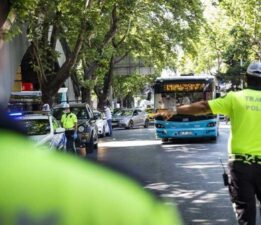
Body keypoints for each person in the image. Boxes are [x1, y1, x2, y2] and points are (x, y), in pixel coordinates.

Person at [0, 29, 183, 225]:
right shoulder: (125, 201)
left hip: (69, 132)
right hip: (68, 138)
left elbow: (73, 122)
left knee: (72, 145)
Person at [157, 61, 261, 225]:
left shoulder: (235, 98)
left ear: (246, 79)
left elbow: (203, 107)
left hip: (241, 166)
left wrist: (175, 110)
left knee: (246, 216)